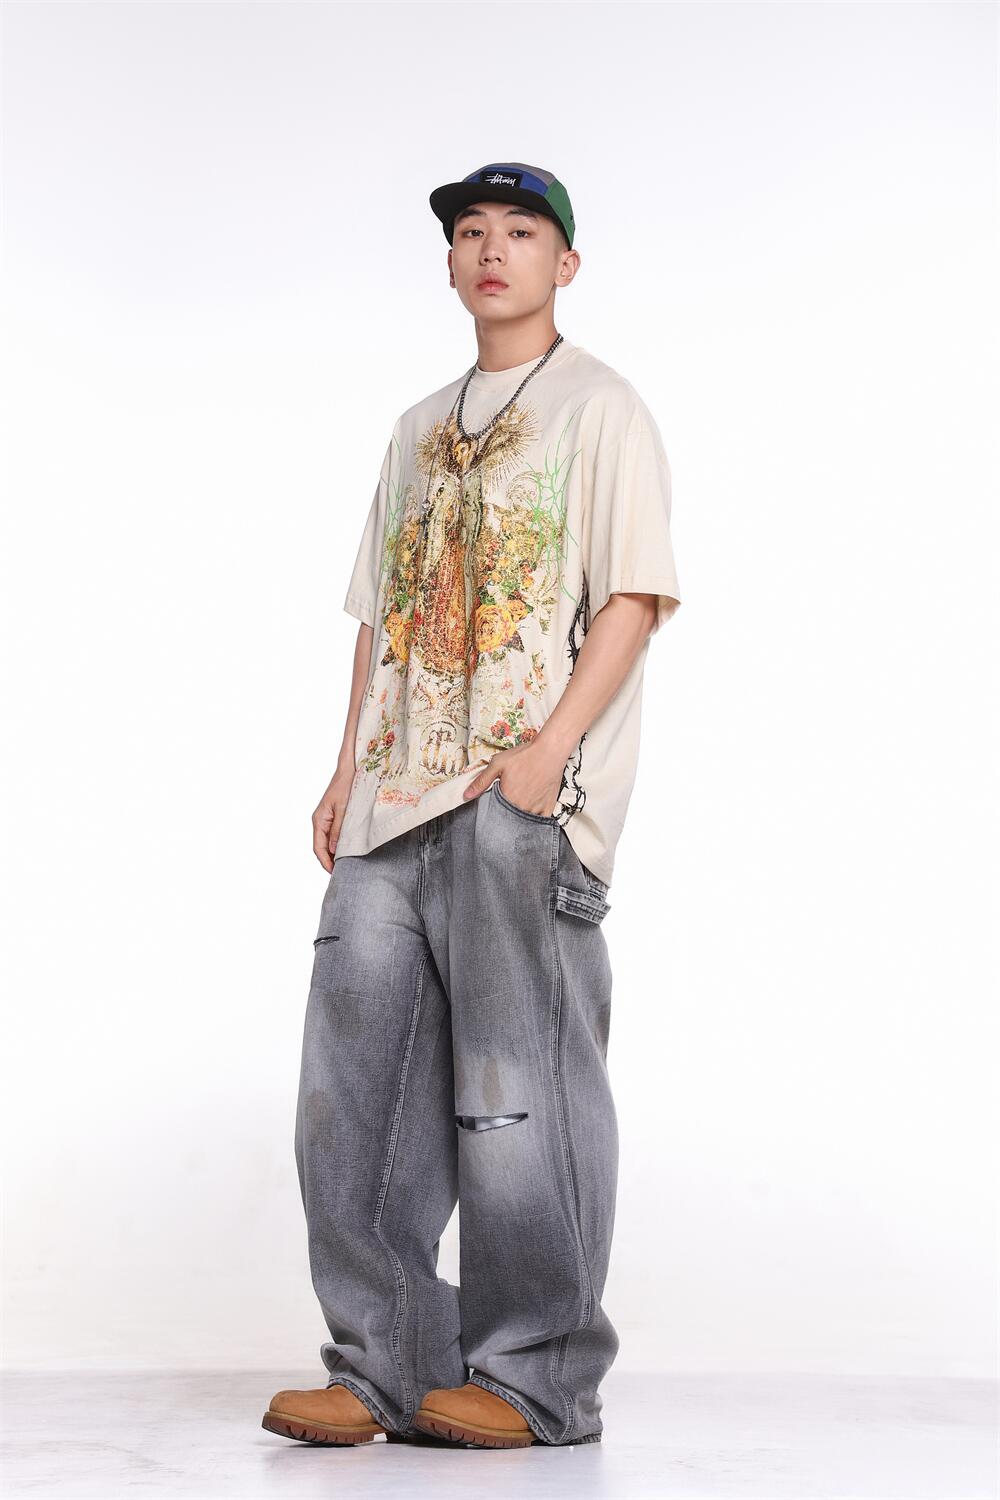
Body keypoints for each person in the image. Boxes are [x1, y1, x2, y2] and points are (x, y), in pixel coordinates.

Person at [262, 161, 682, 1451]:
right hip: (392, 804)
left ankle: (538, 1378)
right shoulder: (414, 430)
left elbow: (633, 597)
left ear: (566, 264)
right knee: (351, 1097)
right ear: (450, 264)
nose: (493, 250)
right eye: (472, 233)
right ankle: (383, 1364)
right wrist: (345, 768)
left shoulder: (601, 408)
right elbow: (380, 616)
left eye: (522, 231)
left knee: (519, 1095)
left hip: (520, 800)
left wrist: (550, 753)